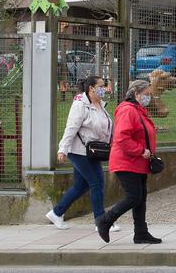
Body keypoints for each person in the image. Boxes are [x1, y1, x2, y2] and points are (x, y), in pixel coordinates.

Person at [46, 75, 120, 233]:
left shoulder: (99, 104)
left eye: (104, 85)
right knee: (97, 182)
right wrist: (62, 148)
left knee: (81, 186)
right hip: (80, 151)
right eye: (101, 85)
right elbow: (71, 127)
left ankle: (56, 213)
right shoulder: (80, 105)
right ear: (91, 88)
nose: (104, 88)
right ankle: (101, 221)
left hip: (92, 151)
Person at [95, 79, 161, 244]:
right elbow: (122, 137)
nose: (148, 97)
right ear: (136, 93)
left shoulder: (138, 109)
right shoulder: (127, 110)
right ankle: (105, 221)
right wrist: (141, 150)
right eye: (146, 94)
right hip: (128, 161)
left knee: (141, 198)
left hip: (138, 162)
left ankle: (141, 233)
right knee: (134, 197)